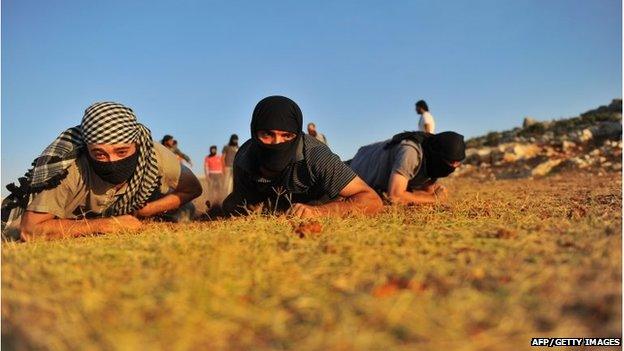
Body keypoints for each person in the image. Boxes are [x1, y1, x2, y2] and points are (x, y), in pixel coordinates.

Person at [1, 102, 203, 241]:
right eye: (99, 154)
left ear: (137, 145)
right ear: (87, 149)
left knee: (187, 211)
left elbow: (192, 188)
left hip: (136, 210)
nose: (112, 162)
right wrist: (106, 225)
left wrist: (145, 210)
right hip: (84, 220)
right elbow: (30, 230)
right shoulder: (69, 170)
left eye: (122, 151)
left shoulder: (153, 153)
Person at [222, 96, 382, 218]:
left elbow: (372, 200)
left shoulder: (316, 155)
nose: (277, 143)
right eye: (267, 134)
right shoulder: (244, 159)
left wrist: (319, 211)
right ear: (254, 132)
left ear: (297, 135)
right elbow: (243, 204)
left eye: (287, 136)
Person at [348, 131, 465, 205]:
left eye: (458, 163)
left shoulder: (434, 161)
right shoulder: (411, 152)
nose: (454, 167)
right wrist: (435, 199)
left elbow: (425, 193)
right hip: (355, 167)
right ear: (438, 155)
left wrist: (433, 196)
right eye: (451, 162)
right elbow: (394, 196)